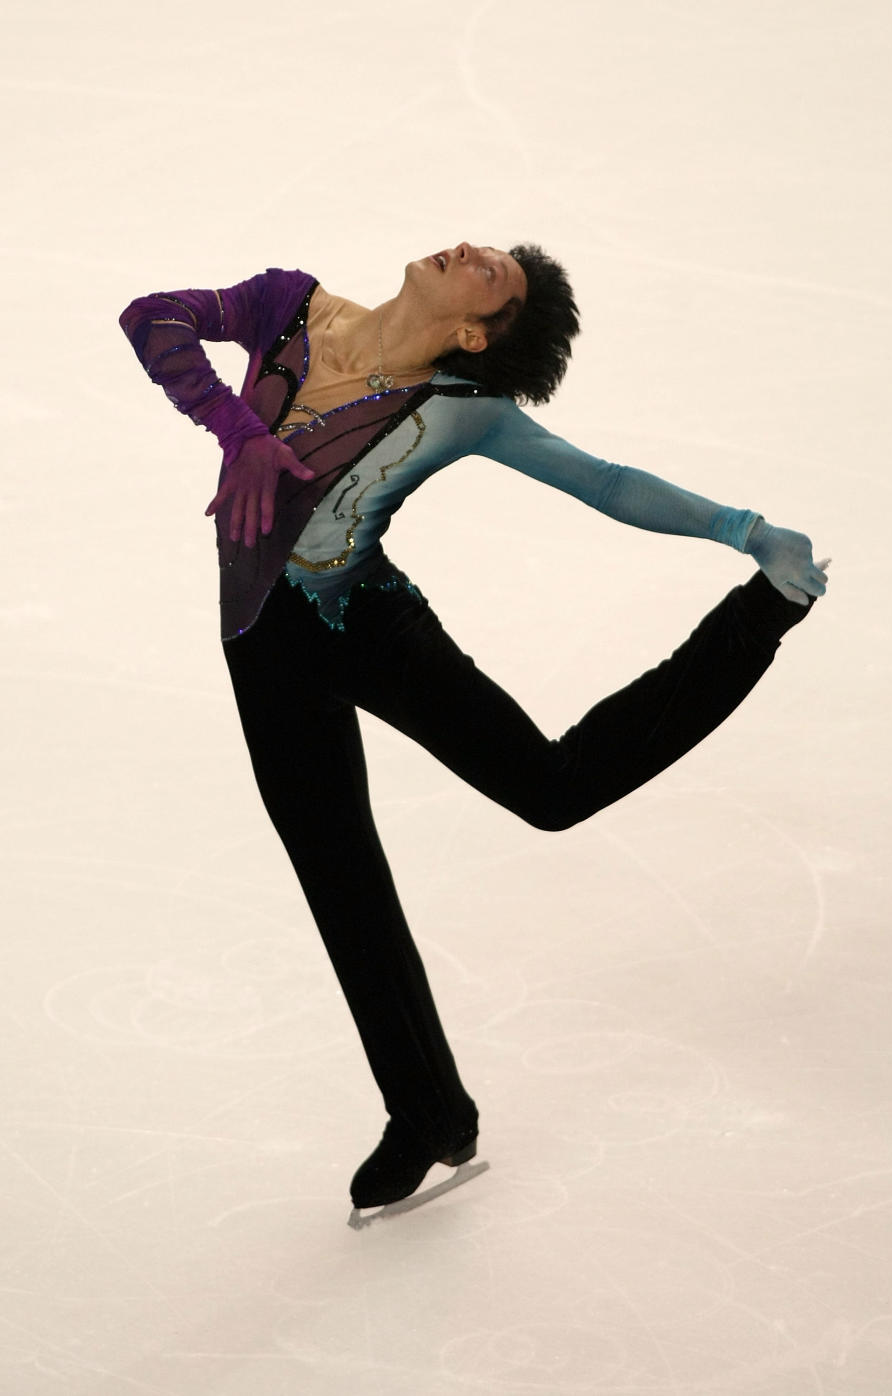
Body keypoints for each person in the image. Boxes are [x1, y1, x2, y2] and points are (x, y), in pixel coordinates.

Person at [120, 241, 829, 1211]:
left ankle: (759, 619)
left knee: (550, 786)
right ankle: (431, 1115)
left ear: (472, 331)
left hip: (364, 622)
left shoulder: (463, 412)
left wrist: (747, 533)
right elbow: (151, 319)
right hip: (260, 649)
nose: (472, 253)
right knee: (344, 888)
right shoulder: (289, 307)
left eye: (491, 276)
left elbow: (607, 482)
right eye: (488, 252)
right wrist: (238, 430)